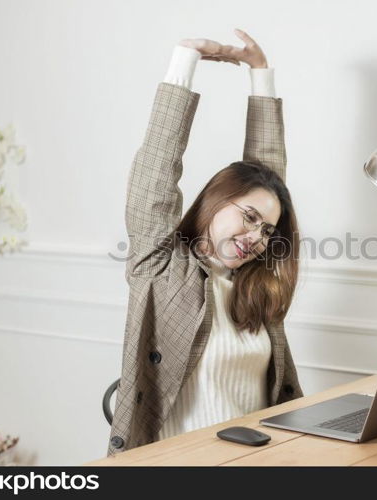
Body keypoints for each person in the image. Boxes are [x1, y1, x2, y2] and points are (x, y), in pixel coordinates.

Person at [107, 29, 304, 456]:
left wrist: (260, 72)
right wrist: (185, 59)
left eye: (266, 231)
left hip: (264, 460)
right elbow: (156, 171)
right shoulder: (159, 264)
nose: (256, 237)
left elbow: (267, 182)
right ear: (216, 200)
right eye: (248, 218)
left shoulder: (255, 280)